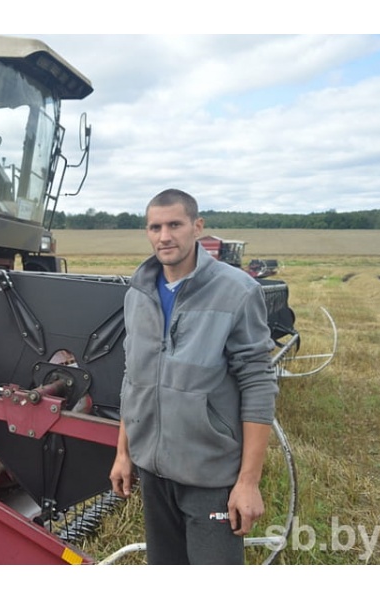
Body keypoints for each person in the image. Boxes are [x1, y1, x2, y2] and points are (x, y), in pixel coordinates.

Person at [109, 189, 278, 565]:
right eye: (155, 227)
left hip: (209, 476)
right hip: (154, 472)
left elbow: (258, 384)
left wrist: (248, 481)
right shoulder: (138, 293)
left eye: (175, 225)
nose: (164, 236)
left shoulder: (236, 291)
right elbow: (133, 378)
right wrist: (124, 453)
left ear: (197, 227)